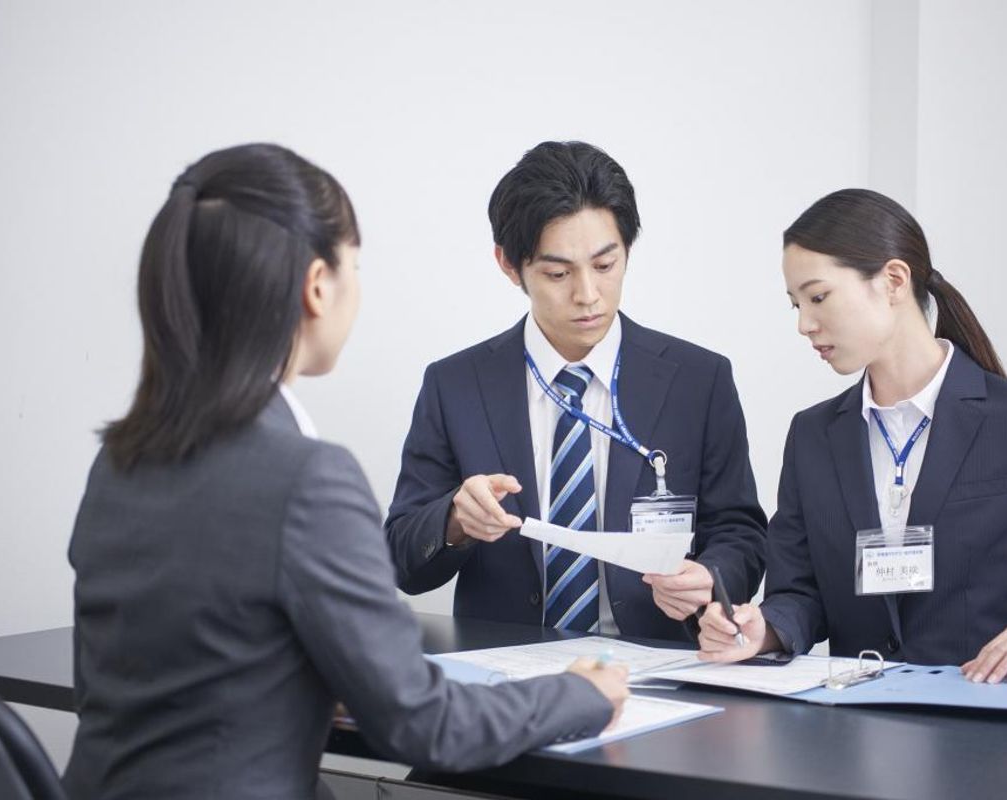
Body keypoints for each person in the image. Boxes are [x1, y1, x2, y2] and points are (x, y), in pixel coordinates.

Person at [62, 143, 628, 800]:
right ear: (317, 285)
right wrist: (579, 695)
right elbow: (425, 723)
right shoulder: (306, 479)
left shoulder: (121, 460)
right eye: (354, 265)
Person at [698, 188, 1007, 683]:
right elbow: (799, 594)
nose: (805, 324)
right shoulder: (812, 434)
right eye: (796, 305)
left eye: (819, 297)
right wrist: (763, 628)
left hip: (986, 721)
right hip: (856, 724)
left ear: (893, 280)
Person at [386, 141, 767, 641]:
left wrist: (710, 578)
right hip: (509, 681)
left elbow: (741, 532)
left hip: (659, 667)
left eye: (605, 266)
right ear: (508, 264)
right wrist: (455, 519)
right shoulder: (456, 385)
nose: (587, 294)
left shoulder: (699, 380)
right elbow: (401, 560)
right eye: (558, 273)